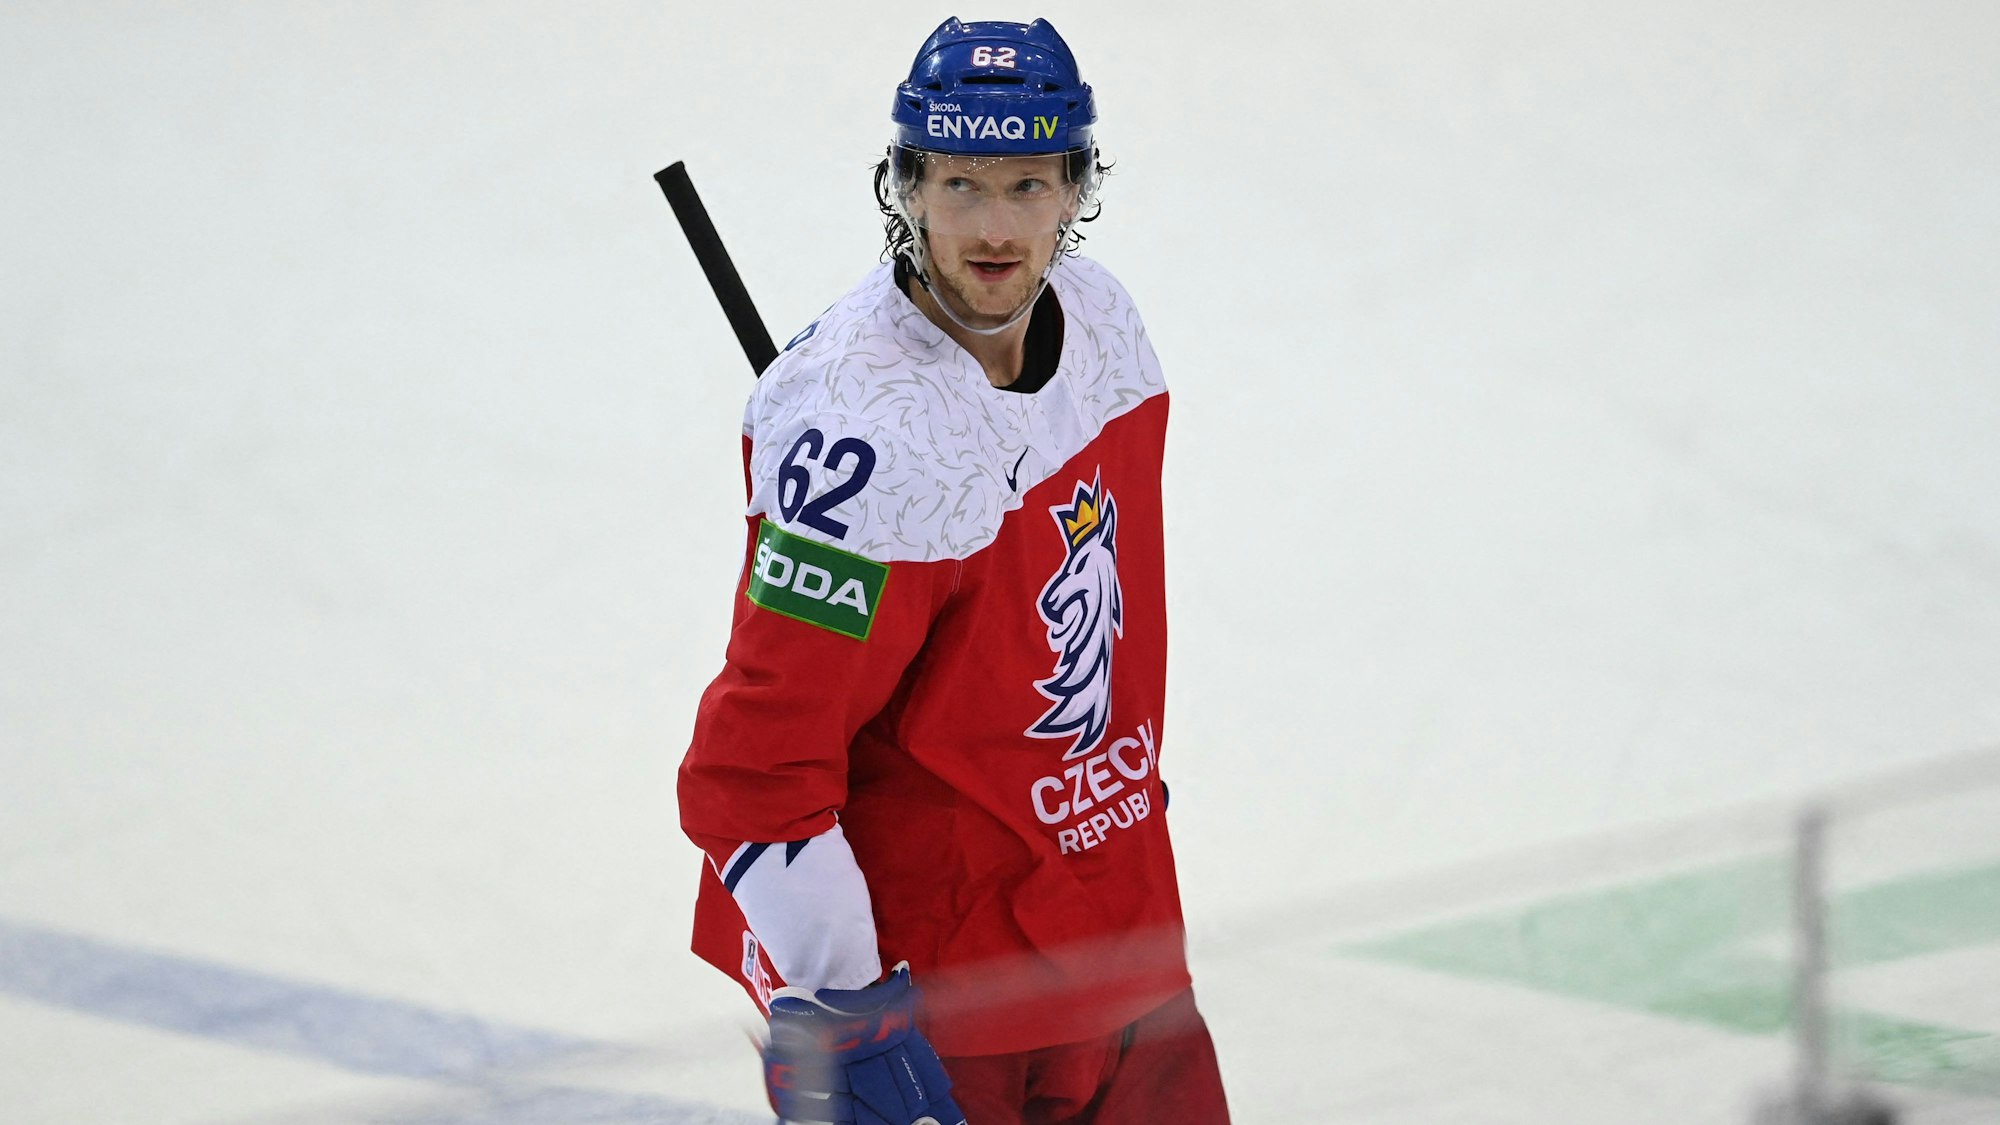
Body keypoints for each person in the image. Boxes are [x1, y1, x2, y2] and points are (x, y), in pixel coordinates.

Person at [678, 17, 1229, 1124]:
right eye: (960, 184)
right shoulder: (860, 435)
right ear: (906, 185)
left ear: (1076, 189)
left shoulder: (1108, 330)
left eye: (1027, 183)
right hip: (946, 1003)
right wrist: (846, 1017)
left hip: (1120, 940)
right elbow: (752, 779)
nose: (992, 226)